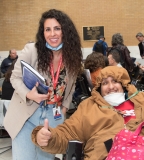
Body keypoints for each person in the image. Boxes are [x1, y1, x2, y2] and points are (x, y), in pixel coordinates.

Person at [31, 66, 144, 159]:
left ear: (124, 84)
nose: (111, 87)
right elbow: (67, 133)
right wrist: (48, 137)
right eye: (105, 83)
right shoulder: (89, 107)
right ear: (99, 88)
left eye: (115, 81)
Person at [4, 9, 82, 160]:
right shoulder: (32, 51)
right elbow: (14, 78)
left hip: (53, 116)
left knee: (46, 158)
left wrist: (64, 107)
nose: (52, 34)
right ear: (43, 32)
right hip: (26, 115)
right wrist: (28, 94)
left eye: (57, 28)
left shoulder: (73, 55)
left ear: (65, 30)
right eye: (48, 29)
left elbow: (71, 86)